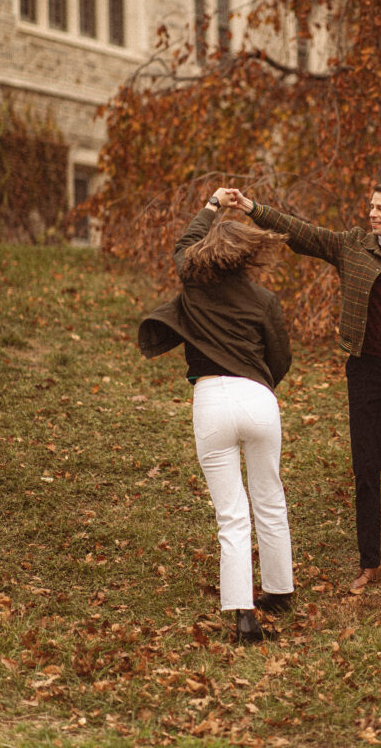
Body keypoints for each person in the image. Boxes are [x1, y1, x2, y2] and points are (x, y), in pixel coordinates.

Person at [231, 180, 381, 593]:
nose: (372, 213)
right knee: (366, 469)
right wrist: (252, 207)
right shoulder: (354, 247)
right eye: (371, 206)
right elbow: (301, 233)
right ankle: (369, 563)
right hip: (367, 372)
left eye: (380, 208)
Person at [138, 187, 295, 642]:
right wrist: (261, 383)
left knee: (232, 513)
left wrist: (211, 206)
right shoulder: (264, 300)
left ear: (208, 252)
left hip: (211, 400)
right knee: (269, 496)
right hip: (258, 398)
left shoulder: (193, 281)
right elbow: (280, 358)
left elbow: (182, 245)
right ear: (246, 255)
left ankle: (245, 618)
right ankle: (280, 591)